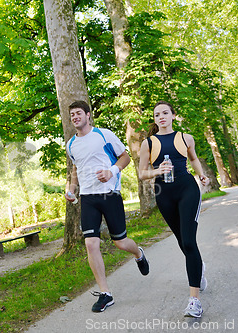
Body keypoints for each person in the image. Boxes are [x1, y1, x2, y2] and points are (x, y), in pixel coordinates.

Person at [65, 100, 149, 313]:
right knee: (91, 244)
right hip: (88, 198)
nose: (75, 117)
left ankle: (138, 253)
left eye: (78, 113)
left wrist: (111, 171)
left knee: (120, 242)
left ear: (88, 115)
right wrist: (72, 188)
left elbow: (125, 157)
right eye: (72, 115)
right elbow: (76, 167)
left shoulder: (104, 135)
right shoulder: (71, 144)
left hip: (110, 195)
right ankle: (105, 293)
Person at [138, 101, 209, 318]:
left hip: (187, 189)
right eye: (157, 114)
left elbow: (193, 159)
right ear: (155, 118)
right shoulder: (147, 143)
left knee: (189, 241)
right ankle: (199, 268)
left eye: (165, 113)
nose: (161, 117)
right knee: (182, 242)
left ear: (173, 115)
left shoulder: (185, 138)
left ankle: (194, 301)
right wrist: (157, 171)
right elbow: (142, 173)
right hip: (164, 193)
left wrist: (202, 174)